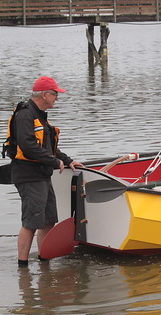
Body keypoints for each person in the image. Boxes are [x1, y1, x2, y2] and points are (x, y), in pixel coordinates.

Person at [9, 76, 84, 266]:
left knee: (48, 220)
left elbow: (50, 147)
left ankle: (44, 261)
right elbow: (27, 146)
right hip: (28, 176)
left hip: (42, 175)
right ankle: (23, 265)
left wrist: (68, 161)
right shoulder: (25, 115)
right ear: (44, 94)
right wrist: (53, 161)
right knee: (31, 222)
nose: (56, 98)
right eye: (55, 94)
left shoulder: (41, 116)